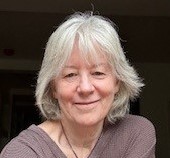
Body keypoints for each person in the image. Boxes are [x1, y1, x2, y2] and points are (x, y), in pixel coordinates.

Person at [0, 12, 156, 158]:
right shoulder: (23, 152)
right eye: (71, 75)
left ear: (117, 82)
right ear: (54, 87)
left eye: (98, 73)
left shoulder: (136, 133)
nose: (85, 88)